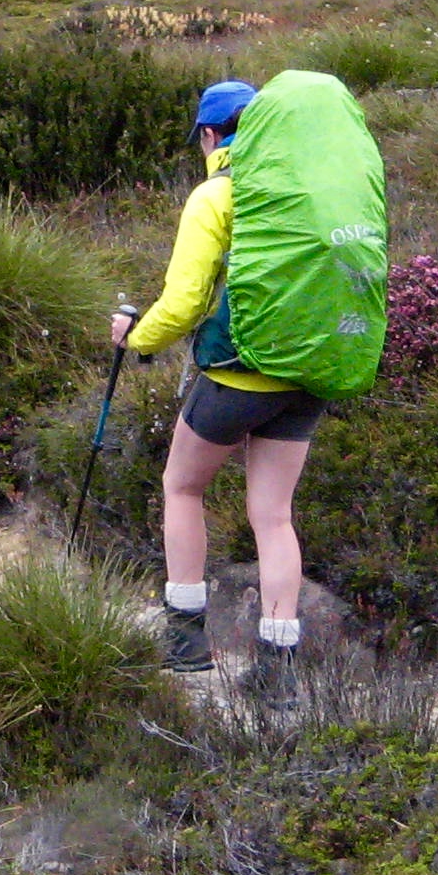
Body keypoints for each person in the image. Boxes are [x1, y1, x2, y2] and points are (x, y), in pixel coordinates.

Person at [112, 80, 324, 696]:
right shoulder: (307, 190)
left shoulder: (217, 195)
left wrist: (138, 339)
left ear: (210, 136)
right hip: (308, 373)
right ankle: (277, 671)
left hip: (236, 373)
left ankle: (186, 644)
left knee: (182, 487)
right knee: (274, 515)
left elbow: (183, 303)